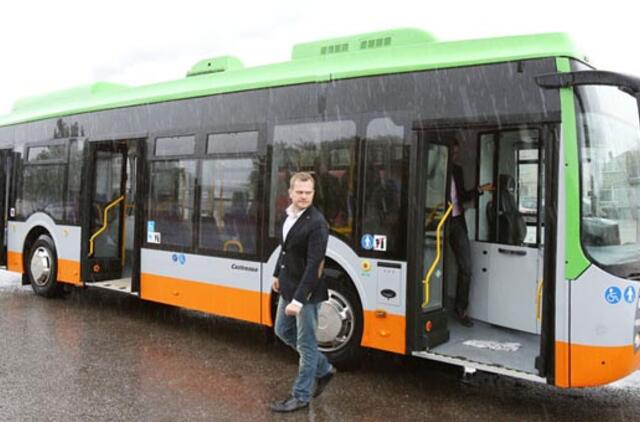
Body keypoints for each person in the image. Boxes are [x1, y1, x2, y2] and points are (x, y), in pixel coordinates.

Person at [270, 172, 336, 413]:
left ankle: (300, 395)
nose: (304, 196)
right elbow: (285, 250)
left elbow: (315, 264)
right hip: (288, 284)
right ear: (290, 193)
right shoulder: (288, 216)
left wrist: (299, 300)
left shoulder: (317, 223)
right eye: (299, 192)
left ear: (313, 194)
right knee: (282, 330)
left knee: (306, 343)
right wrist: (277, 274)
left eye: (308, 193)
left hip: (306, 293)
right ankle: (324, 369)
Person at [449, 140, 493, 327]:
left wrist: (480, 189)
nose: (455, 157)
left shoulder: (456, 171)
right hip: (435, 222)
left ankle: (460, 310)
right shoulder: (431, 169)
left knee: (466, 267)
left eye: (456, 153)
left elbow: (462, 196)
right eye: (452, 152)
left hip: (456, 221)